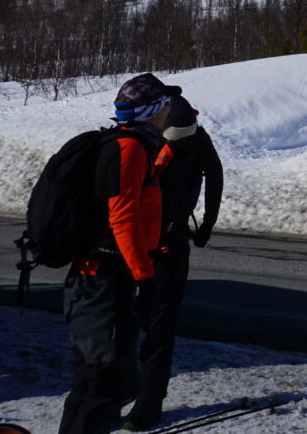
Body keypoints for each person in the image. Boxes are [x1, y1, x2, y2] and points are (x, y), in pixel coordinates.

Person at [58, 73, 177, 434]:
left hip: (104, 281)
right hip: (102, 282)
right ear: (153, 110)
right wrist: (145, 276)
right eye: (166, 104)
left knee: (96, 382)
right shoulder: (128, 148)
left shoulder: (136, 146)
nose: (170, 110)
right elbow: (122, 217)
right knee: (102, 384)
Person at [125, 93, 223, 431]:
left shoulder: (147, 134)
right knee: (155, 325)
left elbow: (214, 174)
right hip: (159, 244)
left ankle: (141, 400)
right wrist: (206, 224)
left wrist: (207, 223)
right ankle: (139, 400)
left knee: (141, 322)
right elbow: (215, 174)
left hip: (147, 245)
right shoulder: (172, 137)